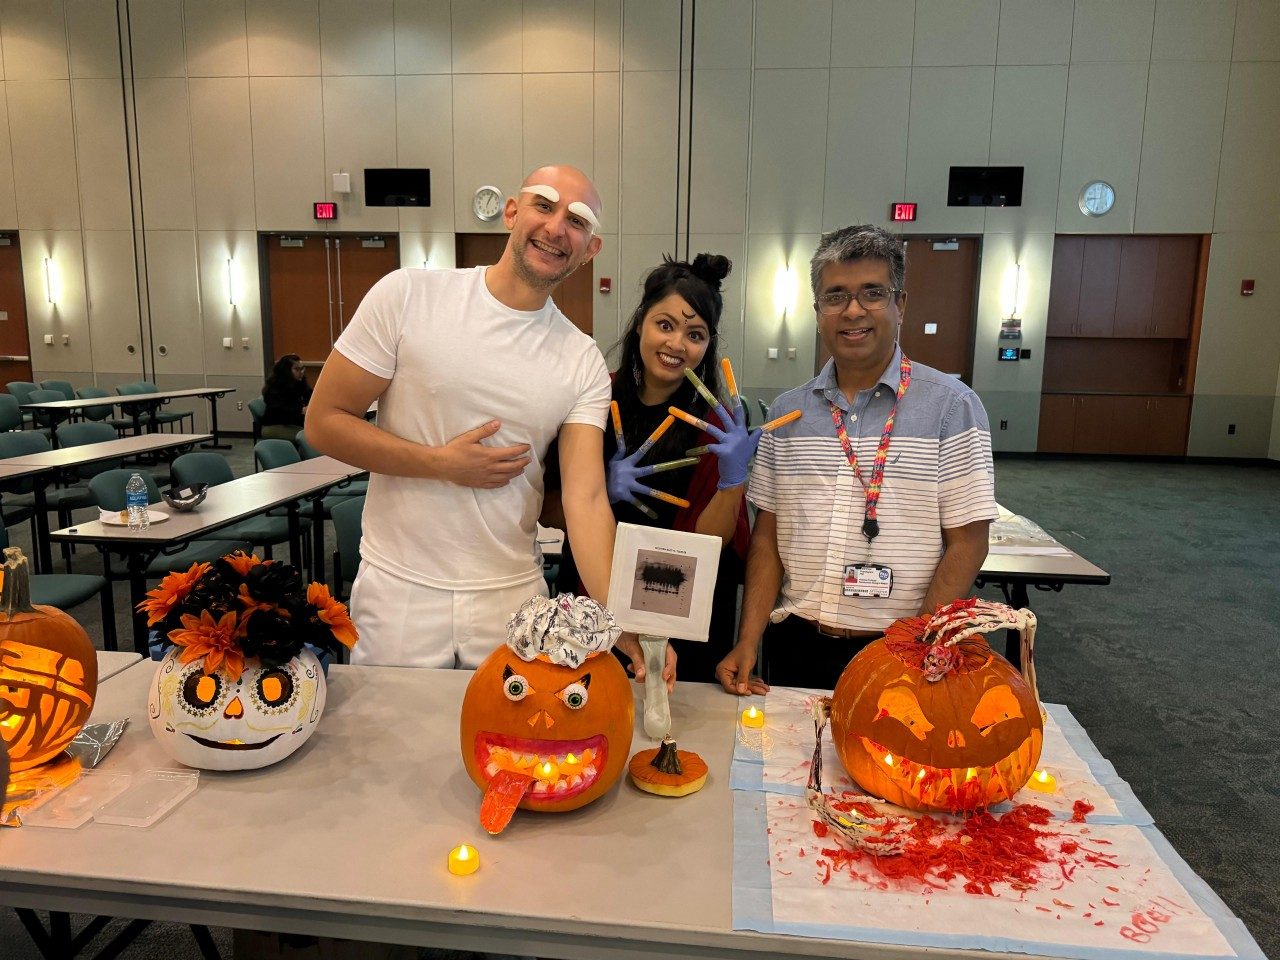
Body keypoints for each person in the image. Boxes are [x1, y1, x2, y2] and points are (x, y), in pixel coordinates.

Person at [306, 165, 665, 683]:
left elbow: (585, 500)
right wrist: (440, 464)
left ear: (590, 249)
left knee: (515, 735)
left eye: (577, 220)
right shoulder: (408, 295)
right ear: (512, 213)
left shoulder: (581, 358)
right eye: (544, 205)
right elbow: (324, 422)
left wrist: (620, 618)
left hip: (511, 594)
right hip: (400, 586)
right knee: (391, 733)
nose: (556, 227)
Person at [716, 224, 997, 694]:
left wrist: (920, 645)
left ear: (900, 304)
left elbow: (968, 542)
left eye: (872, 293)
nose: (852, 311)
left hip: (895, 648)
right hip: (794, 642)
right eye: (835, 296)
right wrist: (748, 640)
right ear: (817, 311)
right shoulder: (788, 414)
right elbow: (767, 538)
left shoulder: (952, 407)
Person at [544, 254, 756, 682]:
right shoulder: (594, 400)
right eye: (665, 325)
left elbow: (712, 541)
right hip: (592, 595)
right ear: (641, 322)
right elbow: (546, 511)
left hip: (677, 602)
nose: (677, 344)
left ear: (708, 345)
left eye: (694, 335)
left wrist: (733, 480)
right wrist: (594, 492)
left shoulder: (713, 424)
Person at [260, 354, 312, 441]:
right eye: (297, 369)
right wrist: (301, 410)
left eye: (302, 369)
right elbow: (280, 412)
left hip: (292, 424)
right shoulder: (275, 388)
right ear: (286, 371)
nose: (301, 372)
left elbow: (311, 397)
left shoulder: (299, 384)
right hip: (275, 426)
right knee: (310, 438)